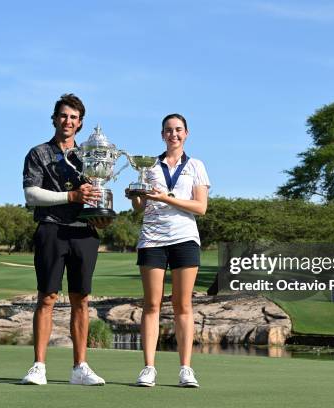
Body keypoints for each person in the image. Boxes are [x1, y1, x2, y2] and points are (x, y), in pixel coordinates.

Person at [20, 93, 110, 386]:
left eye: (73, 117)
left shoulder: (90, 155)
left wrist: (101, 214)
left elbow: (98, 192)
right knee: (46, 297)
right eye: (63, 115)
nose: (67, 121)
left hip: (83, 232)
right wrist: (70, 196)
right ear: (54, 119)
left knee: (81, 299)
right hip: (51, 229)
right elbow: (31, 195)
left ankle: (79, 367)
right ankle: (39, 366)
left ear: (80, 123)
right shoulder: (38, 153)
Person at [127, 113, 210, 388]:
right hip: (152, 239)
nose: (173, 134)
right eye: (168, 130)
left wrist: (167, 198)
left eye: (178, 130)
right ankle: (149, 368)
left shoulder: (196, 165)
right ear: (162, 134)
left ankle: (186, 369)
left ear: (186, 133)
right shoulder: (149, 166)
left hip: (185, 239)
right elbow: (139, 209)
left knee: (182, 305)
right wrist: (137, 196)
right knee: (151, 304)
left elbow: (200, 207)